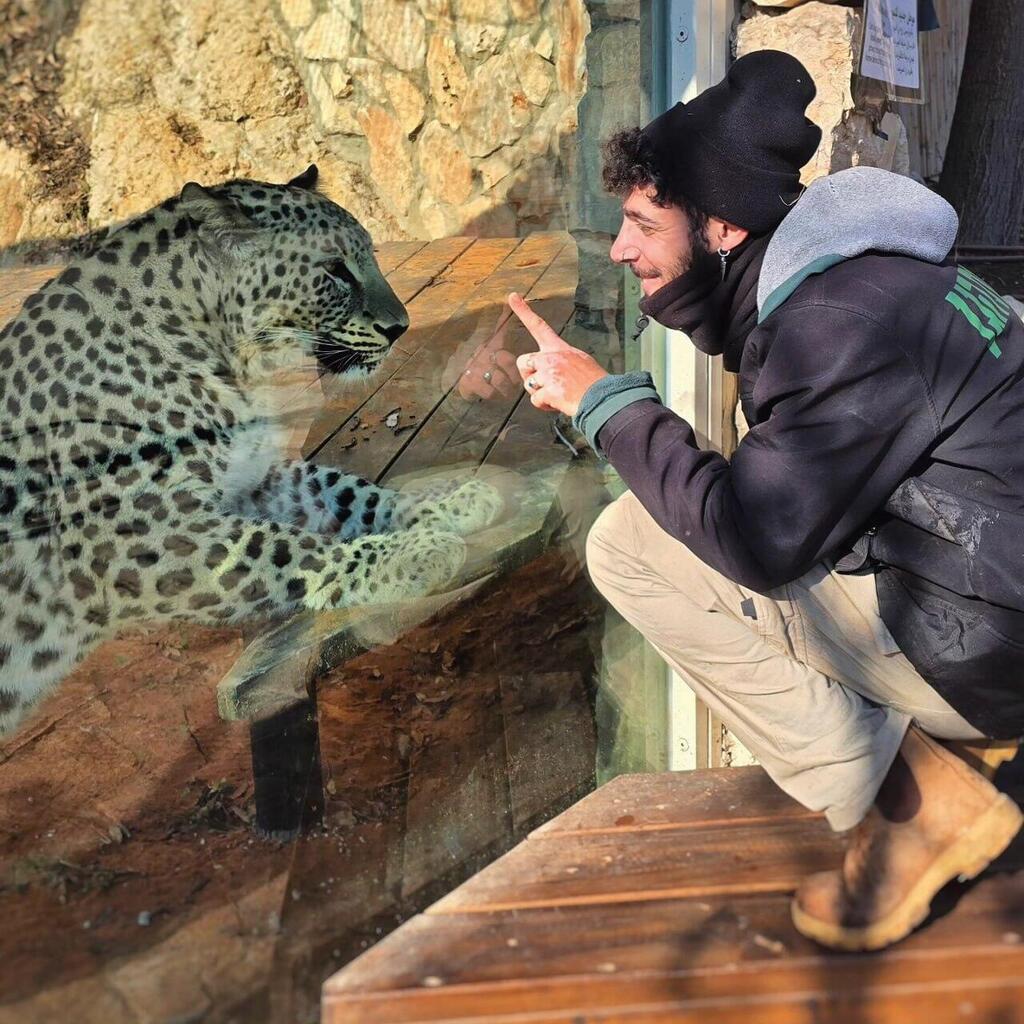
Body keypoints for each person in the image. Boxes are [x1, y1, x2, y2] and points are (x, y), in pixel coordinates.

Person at [507, 48, 1024, 952]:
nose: (622, 248)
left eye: (641, 222)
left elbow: (756, 538)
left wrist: (606, 402)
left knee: (630, 543)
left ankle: (902, 802)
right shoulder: (876, 283)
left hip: (994, 658)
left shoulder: (834, 328)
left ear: (724, 230)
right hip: (995, 606)